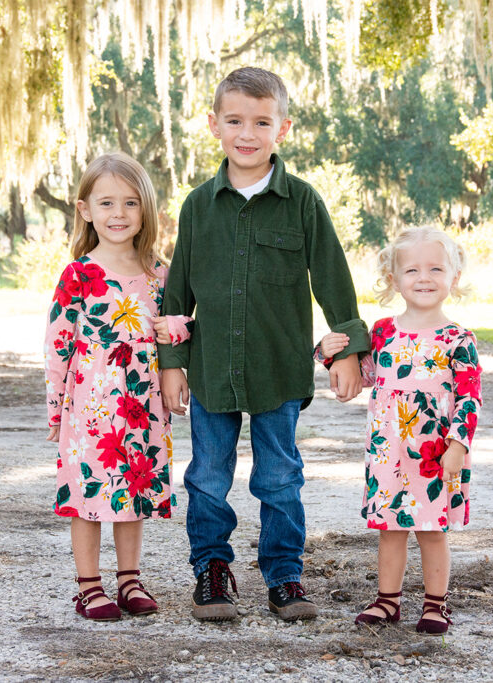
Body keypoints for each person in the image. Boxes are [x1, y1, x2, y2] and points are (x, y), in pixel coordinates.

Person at [155, 66, 370, 622]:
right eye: (234, 120)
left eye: (261, 121)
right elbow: (177, 292)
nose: (246, 133)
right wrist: (173, 363)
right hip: (210, 369)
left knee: (279, 476)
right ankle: (212, 569)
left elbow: (332, 278)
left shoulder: (302, 201)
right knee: (207, 474)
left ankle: (285, 574)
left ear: (283, 128)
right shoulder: (198, 206)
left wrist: (347, 350)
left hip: (278, 367)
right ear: (213, 125)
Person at [44, 152, 188, 622]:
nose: (118, 214)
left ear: (145, 209)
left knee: (134, 490)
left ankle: (130, 579)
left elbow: (174, 331)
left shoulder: (159, 274)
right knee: (88, 495)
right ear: (86, 209)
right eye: (106, 203)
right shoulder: (79, 274)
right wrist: (54, 411)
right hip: (90, 406)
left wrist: (179, 336)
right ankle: (89, 586)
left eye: (130, 203)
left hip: (142, 404)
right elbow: (58, 343)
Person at [316, 226, 482, 634]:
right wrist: (327, 353)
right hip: (388, 451)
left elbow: (470, 397)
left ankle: (435, 605)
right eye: (411, 270)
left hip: (436, 453)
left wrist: (458, 445)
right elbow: (364, 377)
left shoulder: (457, 338)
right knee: (390, 530)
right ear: (394, 279)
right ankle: (387, 602)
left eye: (435, 269)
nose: (423, 278)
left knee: (431, 530)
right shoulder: (383, 332)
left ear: (453, 277)